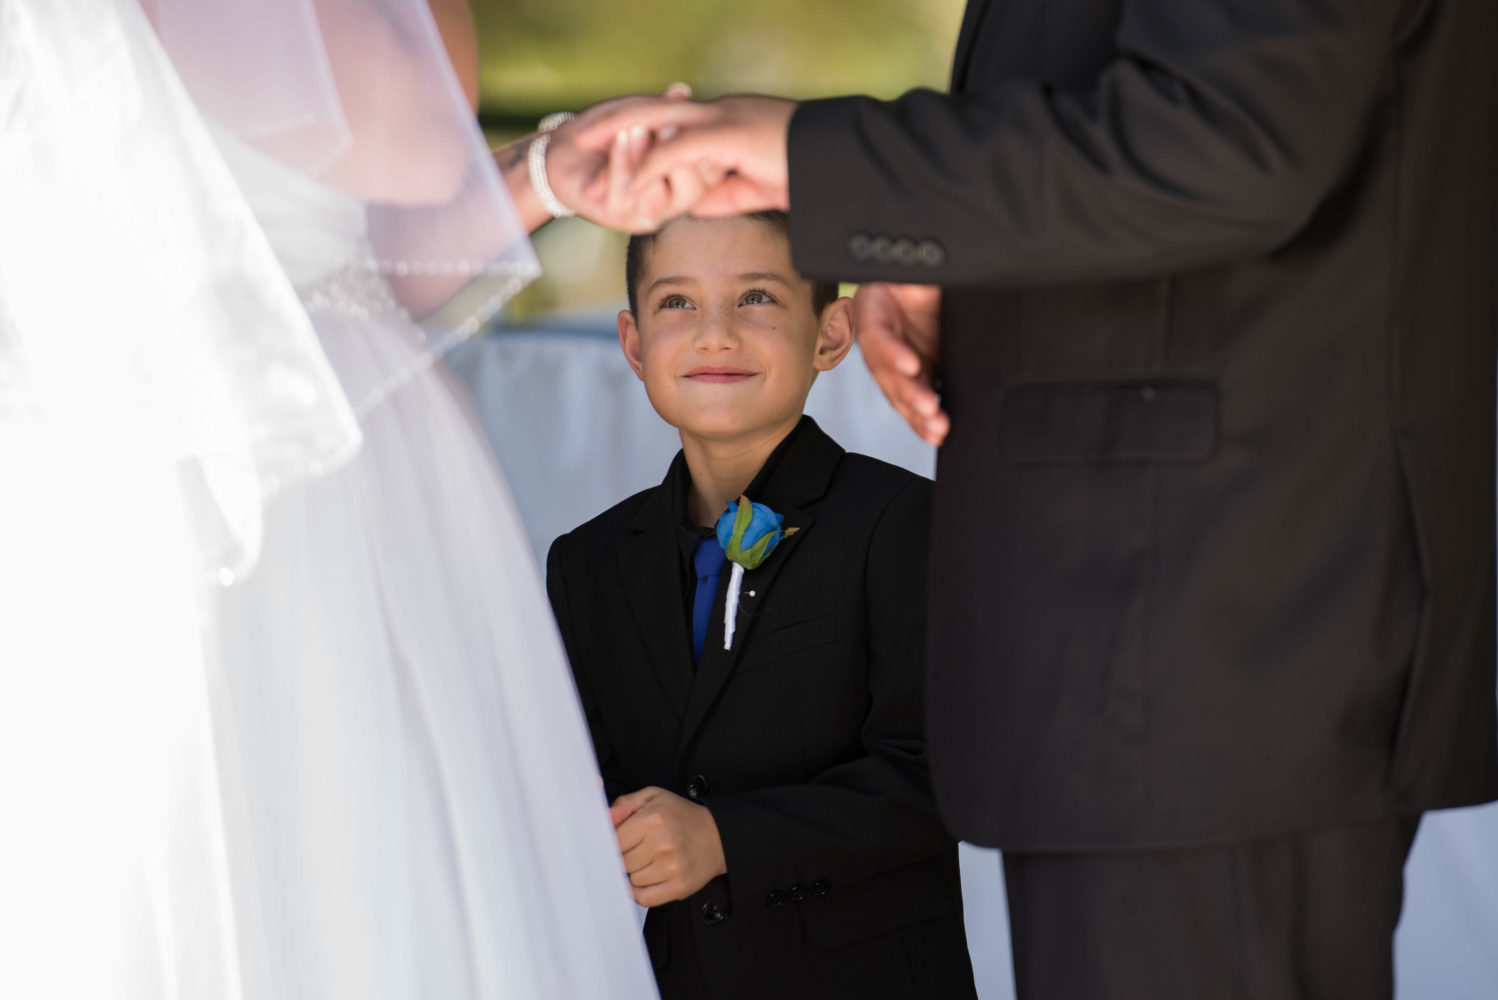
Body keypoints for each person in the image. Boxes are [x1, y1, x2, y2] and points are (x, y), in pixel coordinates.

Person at [568, 2, 1498, 998]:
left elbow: (1232, 134)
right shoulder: (590, 563)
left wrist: (816, 159)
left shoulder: (880, 528)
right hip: (1153, 628)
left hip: (1201, 616)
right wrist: (930, 242)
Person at [4, 1, 667, 997]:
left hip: (343, 454)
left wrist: (541, 172)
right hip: (234, 490)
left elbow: (366, 253)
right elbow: (409, 125)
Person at [545, 211, 978, 1000]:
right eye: (677, 302)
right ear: (635, 344)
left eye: (756, 298)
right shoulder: (587, 564)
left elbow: (941, 780)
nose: (715, 334)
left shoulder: (903, 523)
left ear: (832, 333)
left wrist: (724, 840)